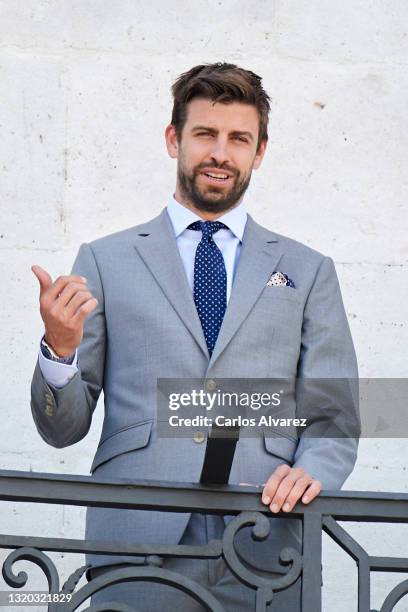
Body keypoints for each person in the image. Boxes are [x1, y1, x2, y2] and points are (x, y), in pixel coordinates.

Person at [30, 62, 358, 610]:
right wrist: (59, 351)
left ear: (260, 151)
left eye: (238, 139)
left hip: (268, 540)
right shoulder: (105, 259)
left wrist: (311, 472)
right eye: (205, 134)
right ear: (173, 139)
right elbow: (62, 429)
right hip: (136, 538)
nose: (220, 153)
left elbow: (334, 412)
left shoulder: (309, 269)